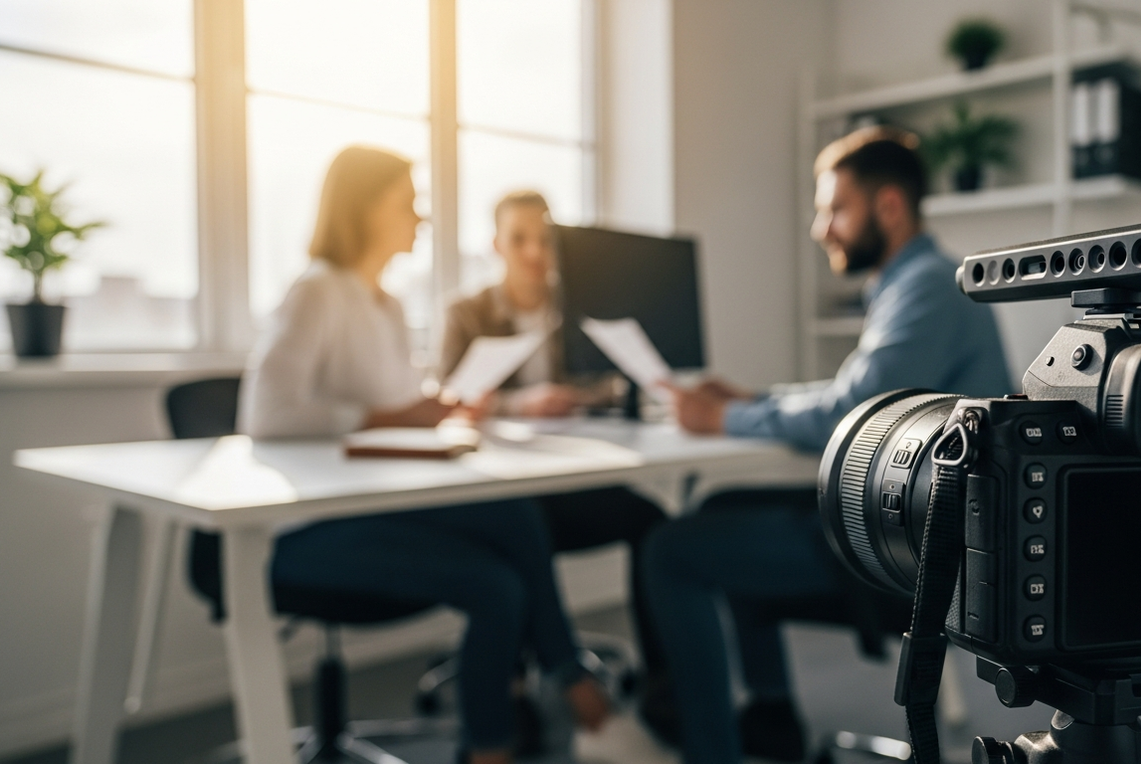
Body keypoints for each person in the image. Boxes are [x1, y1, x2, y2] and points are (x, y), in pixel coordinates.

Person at [642, 126, 1012, 764]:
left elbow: (848, 411)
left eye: (835, 208)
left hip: (913, 547)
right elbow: (859, 391)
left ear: (888, 206)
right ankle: (772, 714)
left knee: (670, 550)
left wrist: (725, 420)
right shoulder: (912, 282)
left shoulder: (926, 286)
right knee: (720, 511)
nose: (821, 228)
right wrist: (750, 401)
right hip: (913, 519)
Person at [238, 146, 608, 764]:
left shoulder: (383, 304)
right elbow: (267, 417)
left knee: (513, 518)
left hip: (379, 506)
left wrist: (443, 406)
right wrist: (396, 416)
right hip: (315, 526)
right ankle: (539, 703)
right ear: (363, 210)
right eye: (408, 202)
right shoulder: (315, 293)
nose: (421, 217)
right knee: (495, 586)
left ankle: (528, 706)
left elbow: (402, 404)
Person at [440, 190, 672, 701]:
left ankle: (664, 681)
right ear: (496, 245)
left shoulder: (579, 312)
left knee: (650, 520)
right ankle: (515, 687)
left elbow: (612, 382)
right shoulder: (466, 313)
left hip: (571, 477)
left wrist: (581, 395)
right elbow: (448, 398)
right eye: (518, 239)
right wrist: (522, 404)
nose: (533, 253)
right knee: (519, 527)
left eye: (543, 240)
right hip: (502, 489)